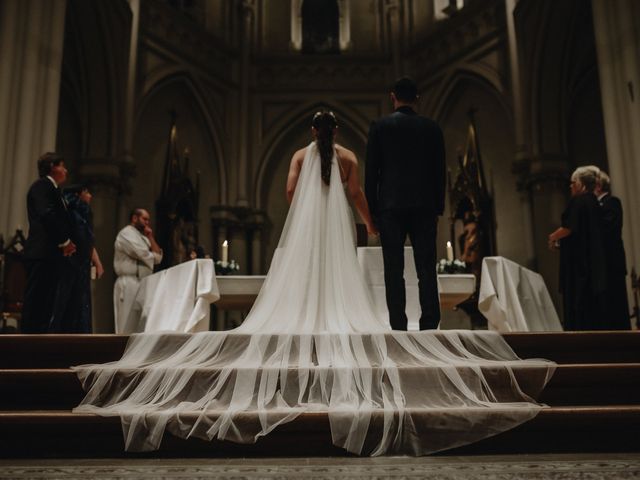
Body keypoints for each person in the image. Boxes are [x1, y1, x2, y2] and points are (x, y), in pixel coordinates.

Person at [74, 112, 554, 457]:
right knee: (341, 286)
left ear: (311, 131)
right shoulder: (346, 156)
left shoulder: (301, 156)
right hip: (336, 229)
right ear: (338, 132)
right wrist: (368, 224)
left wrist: (305, 203)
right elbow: (357, 193)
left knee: (299, 287)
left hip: (308, 232)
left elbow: (287, 194)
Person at [364, 77, 446, 330]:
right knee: (426, 268)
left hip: (390, 207)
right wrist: (438, 208)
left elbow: (372, 174)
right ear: (417, 98)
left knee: (393, 269)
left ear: (393, 97)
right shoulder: (432, 128)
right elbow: (439, 171)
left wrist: (373, 212)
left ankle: (398, 324)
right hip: (424, 206)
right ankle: (429, 323)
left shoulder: (380, 126)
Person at [22, 153, 76, 333]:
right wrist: (64, 241)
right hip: (41, 252)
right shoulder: (42, 186)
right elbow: (47, 215)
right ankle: (27, 345)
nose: (66, 170)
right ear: (53, 166)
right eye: (63, 166)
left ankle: (40, 343)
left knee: (47, 301)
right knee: (36, 299)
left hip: (51, 254)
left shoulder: (53, 190)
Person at [548, 166, 607, 330]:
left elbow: (569, 228)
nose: (570, 186)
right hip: (592, 262)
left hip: (578, 266)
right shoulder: (594, 201)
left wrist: (553, 237)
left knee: (577, 305)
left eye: (573, 183)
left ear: (581, 184)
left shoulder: (578, 201)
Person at [49, 185, 104, 333]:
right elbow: (82, 239)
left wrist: (96, 261)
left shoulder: (80, 211)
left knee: (76, 305)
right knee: (68, 304)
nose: (90, 196)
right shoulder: (74, 210)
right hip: (71, 263)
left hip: (79, 264)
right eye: (87, 192)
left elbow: (87, 240)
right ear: (79, 194)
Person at [113, 208, 162, 333]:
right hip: (129, 281)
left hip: (143, 281)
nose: (147, 222)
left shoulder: (143, 237)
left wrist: (150, 236)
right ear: (135, 218)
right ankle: (122, 351)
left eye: (148, 220)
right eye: (144, 219)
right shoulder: (126, 233)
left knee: (141, 324)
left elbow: (158, 257)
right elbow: (142, 253)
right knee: (126, 323)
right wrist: (153, 256)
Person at [595, 170, 631, 329]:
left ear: (597, 185)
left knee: (617, 303)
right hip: (603, 264)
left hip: (612, 262)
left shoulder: (611, 202)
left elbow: (609, 228)